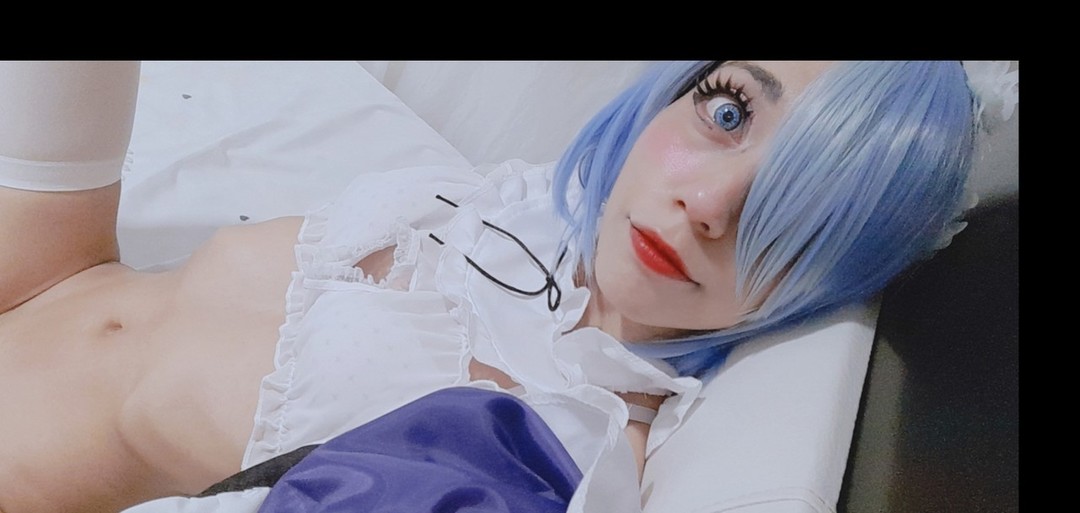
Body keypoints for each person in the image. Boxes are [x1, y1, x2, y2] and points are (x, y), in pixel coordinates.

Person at [0, 61, 996, 513]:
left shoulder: (560, 444)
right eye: (729, 112)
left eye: (798, 208)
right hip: (53, 267)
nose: (705, 202)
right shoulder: (532, 206)